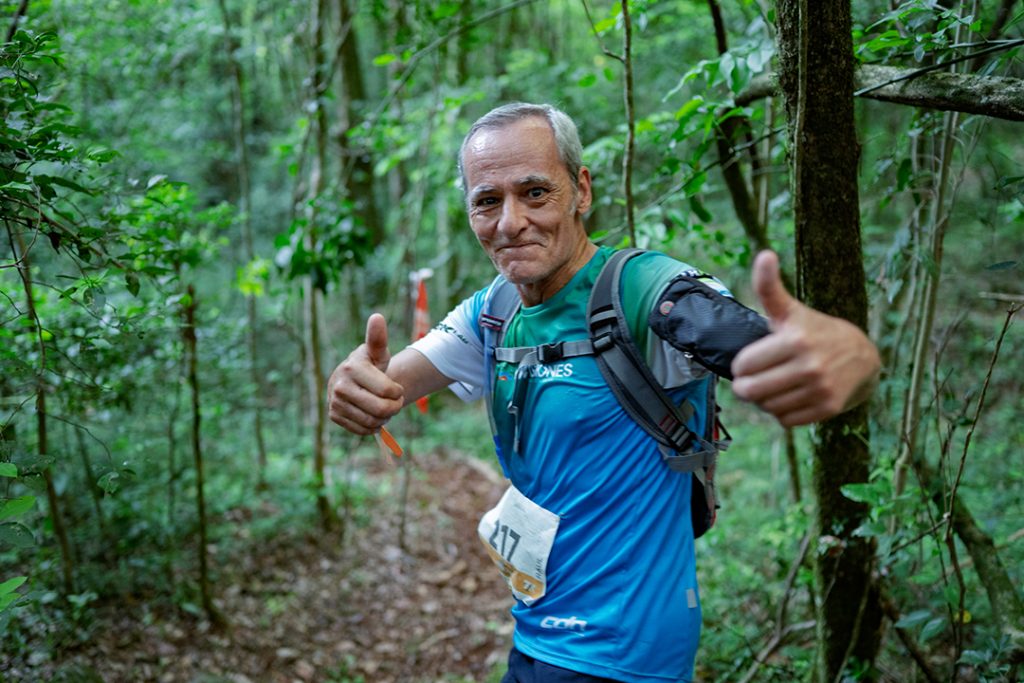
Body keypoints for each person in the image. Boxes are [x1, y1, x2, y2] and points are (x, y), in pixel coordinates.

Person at [328, 103, 880, 683]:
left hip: (627, 657)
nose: (510, 222)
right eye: (488, 200)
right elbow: (388, 381)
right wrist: (352, 385)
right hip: (535, 634)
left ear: (581, 191)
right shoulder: (495, 309)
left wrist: (856, 359)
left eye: (535, 193)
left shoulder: (644, 293)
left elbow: (767, 349)